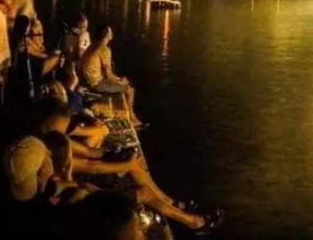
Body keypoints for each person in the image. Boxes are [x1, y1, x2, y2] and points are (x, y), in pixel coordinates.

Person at [32, 98, 214, 231]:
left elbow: (90, 153)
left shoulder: (57, 138)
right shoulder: (52, 149)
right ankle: (191, 221)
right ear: (48, 125)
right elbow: (89, 166)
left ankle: (171, 203)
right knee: (142, 190)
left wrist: (117, 153)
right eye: (63, 126)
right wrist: (125, 164)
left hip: (83, 183)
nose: (66, 130)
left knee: (131, 162)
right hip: (85, 188)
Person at [80, 25, 142, 127]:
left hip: (87, 81)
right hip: (96, 84)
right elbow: (108, 75)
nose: (112, 33)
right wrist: (121, 82)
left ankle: (130, 116)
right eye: (110, 32)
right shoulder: (104, 49)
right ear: (106, 35)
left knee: (124, 83)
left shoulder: (93, 46)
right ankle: (132, 118)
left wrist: (118, 79)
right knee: (129, 89)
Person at [61, 11, 91, 79]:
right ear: (80, 24)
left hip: (66, 66)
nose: (86, 27)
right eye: (85, 25)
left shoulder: (66, 35)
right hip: (78, 67)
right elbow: (80, 54)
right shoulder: (84, 35)